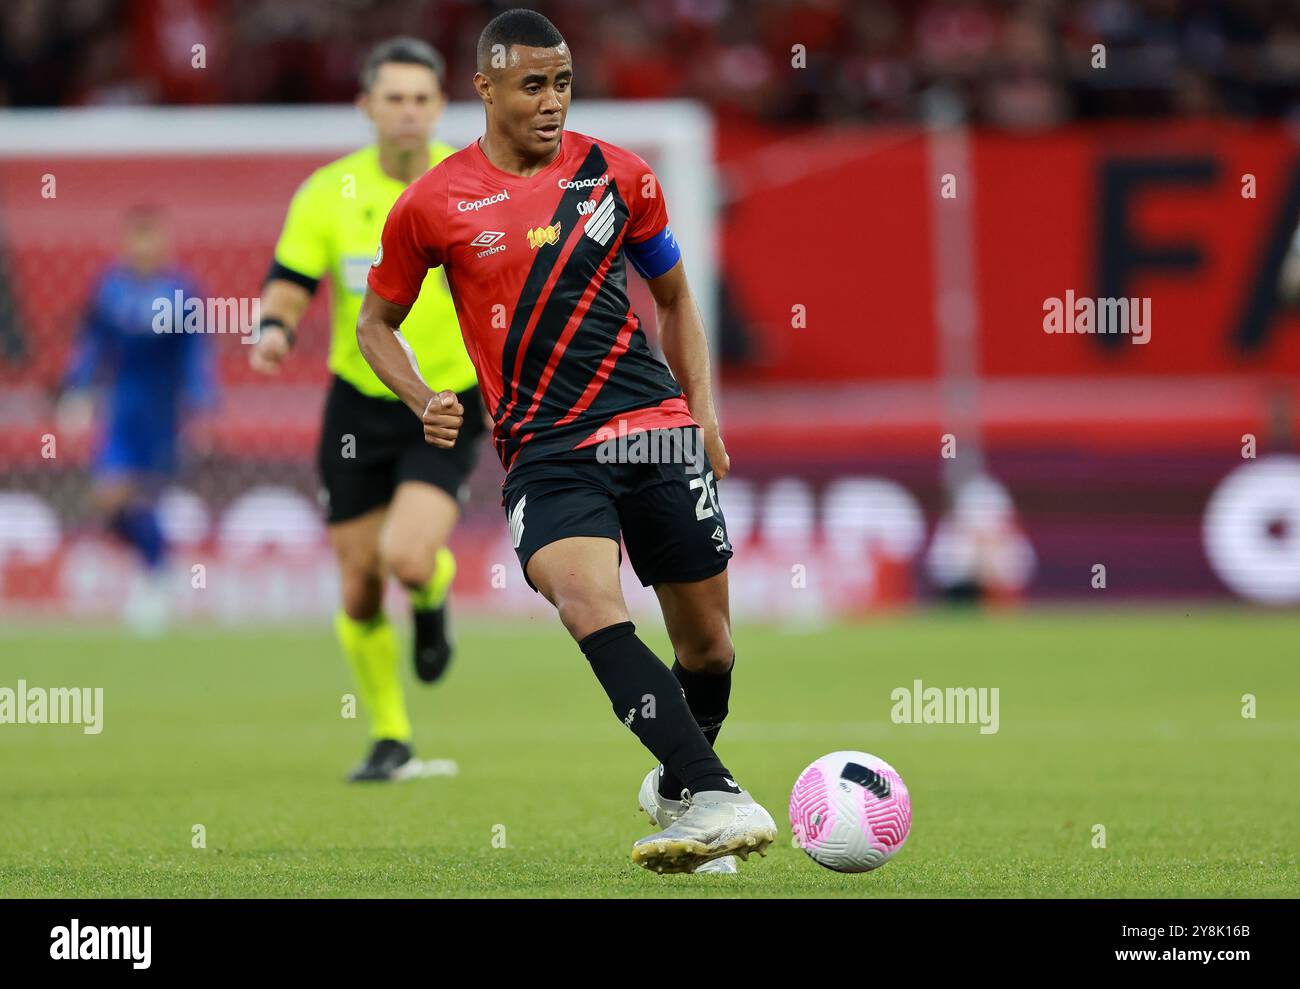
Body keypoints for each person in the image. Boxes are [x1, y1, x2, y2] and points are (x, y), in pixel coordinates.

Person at [356, 9, 777, 873]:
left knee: (710, 649)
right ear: (485, 87)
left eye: (563, 84)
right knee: (589, 603)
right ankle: (718, 795)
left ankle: (678, 789)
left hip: (652, 429)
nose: (552, 102)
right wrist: (420, 395)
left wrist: (704, 414)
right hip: (545, 447)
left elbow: (676, 300)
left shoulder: (620, 175)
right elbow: (374, 324)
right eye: (532, 85)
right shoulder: (432, 203)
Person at [248, 37, 486, 783]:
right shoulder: (329, 193)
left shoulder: (472, 185)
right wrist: (275, 328)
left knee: (407, 557)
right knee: (357, 584)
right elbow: (291, 277)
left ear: (440, 107)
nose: (409, 113)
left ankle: (434, 587)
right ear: (367, 107)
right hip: (357, 404)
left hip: (445, 398)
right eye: (395, 99)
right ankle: (390, 733)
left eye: (422, 99)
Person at [58, 205, 214, 636]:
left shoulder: (182, 290)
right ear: (128, 243)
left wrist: (202, 404)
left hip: (164, 410)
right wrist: (77, 387)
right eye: (138, 238)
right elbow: (93, 342)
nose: (146, 248)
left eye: (153, 238)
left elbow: (195, 352)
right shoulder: (110, 288)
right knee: (109, 499)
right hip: (123, 407)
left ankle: (154, 582)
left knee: (144, 498)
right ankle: (158, 567)